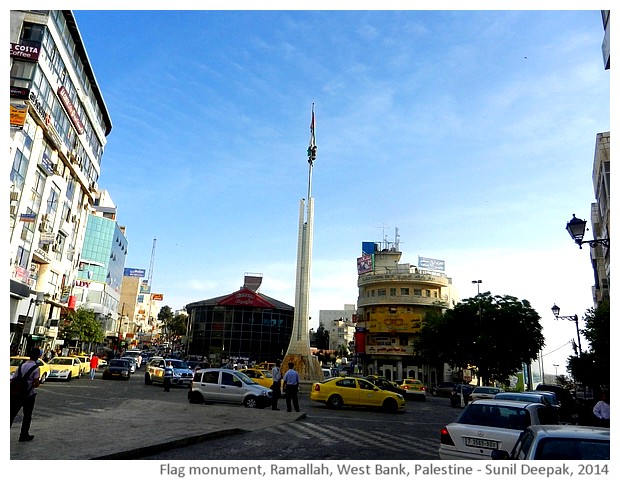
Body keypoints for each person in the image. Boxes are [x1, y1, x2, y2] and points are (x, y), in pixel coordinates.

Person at [10, 347, 41, 442]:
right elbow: (36, 384)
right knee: (27, 416)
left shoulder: (21, 366)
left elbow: (13, 379)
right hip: (29, 395)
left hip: (16, 394)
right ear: (38, 356)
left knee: (11, 414)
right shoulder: (36, 368)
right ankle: (23, 435)